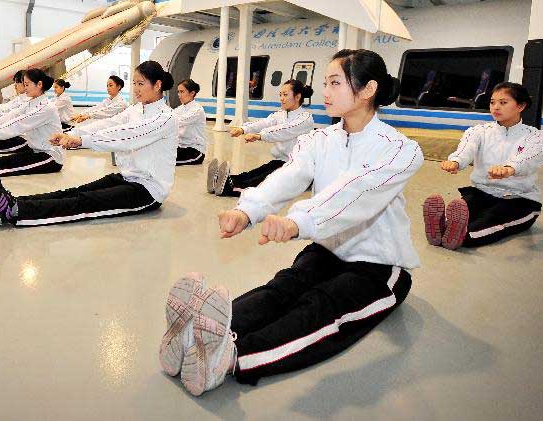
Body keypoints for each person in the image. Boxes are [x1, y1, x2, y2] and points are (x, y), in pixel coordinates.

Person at [158, 49, 422, 396]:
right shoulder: (320, 140)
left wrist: (299, 221)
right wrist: (247, 211)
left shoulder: (400, 149)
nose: (324, 92)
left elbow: (355, 193)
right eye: (324, 83)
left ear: (368, 88)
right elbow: (289, 176)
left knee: (322, 306)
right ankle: (199, 333)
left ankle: (234, 356)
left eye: (334, 83)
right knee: (283, 288)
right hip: (328, 249)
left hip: (378, 266)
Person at [0, 61, 177, 228]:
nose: (136, 88)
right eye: (134, 83)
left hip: (148, 190)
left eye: (141, 83)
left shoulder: (165, 117)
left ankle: (14, 212)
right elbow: (109, 123)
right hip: (129, 176)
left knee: (85, 202)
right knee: (75, 191)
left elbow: (127, 136)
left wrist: (83, 141)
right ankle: (12, 202)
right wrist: (72, 134)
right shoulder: (136, 109)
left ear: (157, 85)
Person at [422, 82, 543, 250]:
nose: (495, 107)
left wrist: (509, 169)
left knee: (490, 219)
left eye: (503, 102)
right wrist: (456, 161)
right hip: (482, 193)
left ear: (521, 106)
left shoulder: (538, 138)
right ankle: (441, 229)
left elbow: (527, 160)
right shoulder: (479, 131)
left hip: (519, 199)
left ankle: (462, 236)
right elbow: (466, 149)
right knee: (466, 209)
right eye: (492, 102)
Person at [208, 79, 315, 196]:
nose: (281, 98)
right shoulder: (281, 114)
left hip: (297, 168)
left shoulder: (305, 118)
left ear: (297, 96)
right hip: (282, 161)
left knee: (263, 181)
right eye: (280, 95)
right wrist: (243, 129)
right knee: (255, 173)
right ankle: (220, 180)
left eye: (285, 95)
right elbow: (264, 123)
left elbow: (285, 130)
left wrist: (260, 136)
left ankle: (228, 188)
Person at [174, 78, 207, 166]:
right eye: (178, 92)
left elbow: (175, 121)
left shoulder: (197, 110)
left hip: (194, 152)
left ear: (192, 93)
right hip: (180, 147)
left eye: (182, 92)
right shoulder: (179, 109)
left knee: (162, 161)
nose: (179, 95)